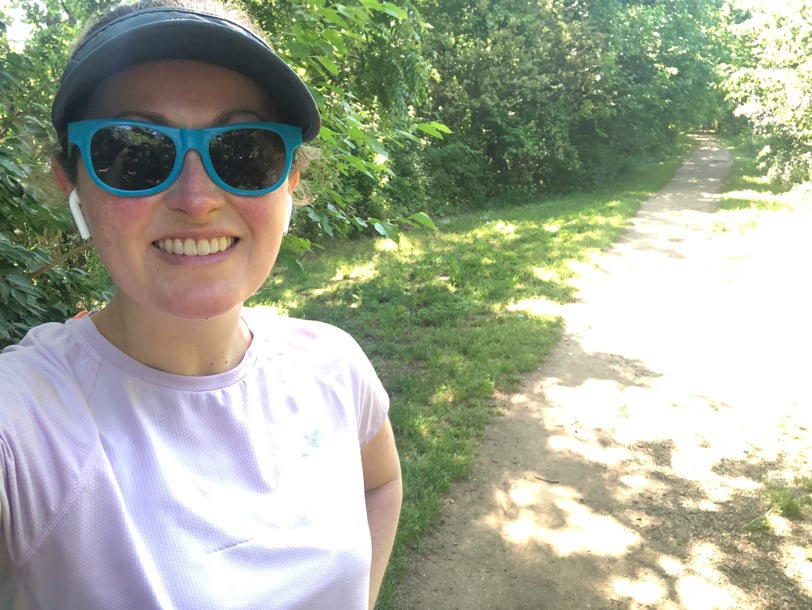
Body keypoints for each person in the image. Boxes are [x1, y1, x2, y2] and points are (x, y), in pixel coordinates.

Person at [0, 0, 402, 608]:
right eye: (136, 152)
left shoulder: (334, 366)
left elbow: (382, 484)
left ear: (289, 181)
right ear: (71, 182)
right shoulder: (26, 420)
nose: (197, 198)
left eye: (244, 151)